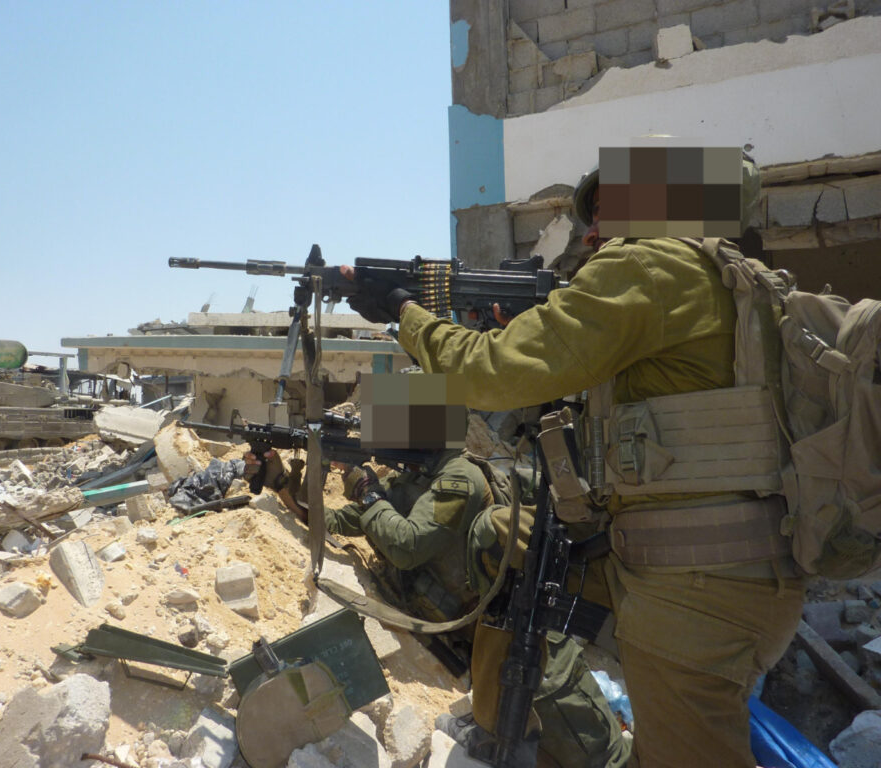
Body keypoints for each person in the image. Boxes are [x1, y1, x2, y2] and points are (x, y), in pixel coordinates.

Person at [343, 158, 805, 768]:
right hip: (718, 564)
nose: (591, 233)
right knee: (508, 541)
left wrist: (406, 313)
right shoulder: (731, 282)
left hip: (697, 583)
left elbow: (487, 375)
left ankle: (591, 748)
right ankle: (530, 720)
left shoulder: (647, 265)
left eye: (608, 212)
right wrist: (537, 337)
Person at [246, 407, 631, 768]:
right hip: (489, 663)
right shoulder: (410, 482)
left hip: (537, 666)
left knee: (600, 759)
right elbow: (336, 521)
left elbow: (406, 546)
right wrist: (282, 482)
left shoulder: (459, 478)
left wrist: (367, 490)